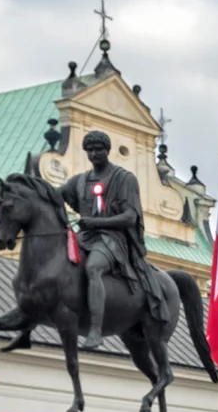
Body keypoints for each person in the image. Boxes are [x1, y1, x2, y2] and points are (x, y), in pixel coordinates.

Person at [56, 130, 168, 347]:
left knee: (92, 268)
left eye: (98, 149)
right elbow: (54, 195)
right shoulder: (79, 182)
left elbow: (129, 217)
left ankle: (96, 330)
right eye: (90, 150)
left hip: (113, 240)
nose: (94, 154)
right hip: (85, 236)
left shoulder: (123, 179)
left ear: (107, 150)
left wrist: (96, 223)